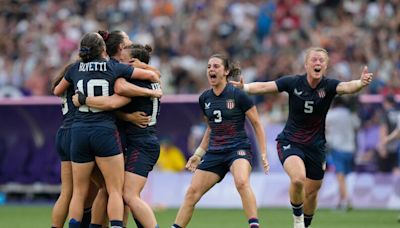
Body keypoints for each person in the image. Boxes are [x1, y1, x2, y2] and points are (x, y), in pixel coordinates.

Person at [231, 47, 373, 228]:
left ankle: (305, 225)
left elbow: (347, 87)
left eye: (322, 60)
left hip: (316, 147)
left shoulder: (328, 86)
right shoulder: (293, 82)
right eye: (314, 60)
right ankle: (297, 220)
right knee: (298, 179)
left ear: (326, 66)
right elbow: (267, 86)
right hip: (290, 142)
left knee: (312, 193)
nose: (318, 63)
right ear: (306, 65)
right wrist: (245, 87)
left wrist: (360, 83)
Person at [53, 32, 159, 228]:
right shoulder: (113, 67)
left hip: (75, 131)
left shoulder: (75, 68)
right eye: (125, 43)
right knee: (114, 190)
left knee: (76, 191)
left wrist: (82, 98)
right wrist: (151, 87)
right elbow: (149, 78)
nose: (128, 46)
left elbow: (57, 90)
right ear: (104, 49)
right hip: (104, 131)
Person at [171, 53, 269, 228]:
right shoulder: (204, 98)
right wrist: (198, 154)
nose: (211, 70)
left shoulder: (238, 95)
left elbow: (257, 123)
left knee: (241, 181)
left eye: (216, 66)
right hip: (215, 152)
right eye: (209, 66)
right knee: (192, 193)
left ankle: (254, 225)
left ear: (226, 71)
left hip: (238, 149)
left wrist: (263, 152)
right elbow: (211, 128)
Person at [51, 62, 99, 228]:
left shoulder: (65, 81)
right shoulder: (80, 80)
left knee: (67, 192)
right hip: (77, 133)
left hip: (63, 132)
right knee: (93, 190)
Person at [325, 97, 360, 210]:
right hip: (350, 148)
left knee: (340, 176)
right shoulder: (351, 115)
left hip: (337, 148)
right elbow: (357, 126)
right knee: (344, 175)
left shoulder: (331, 114)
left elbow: (324, 127)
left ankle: (346, 200)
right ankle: (341, 201)